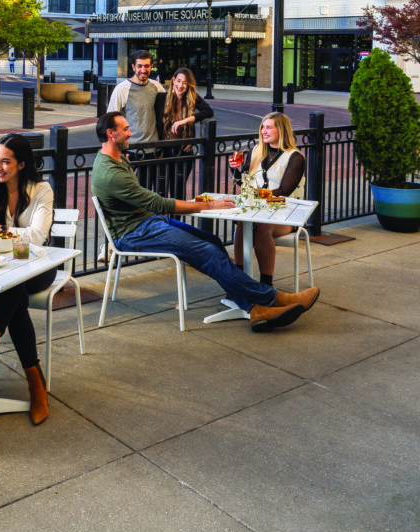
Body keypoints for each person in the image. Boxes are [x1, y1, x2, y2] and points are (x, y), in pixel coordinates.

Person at [91, 112, 319, 332]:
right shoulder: (112, 172)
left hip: (147, 223)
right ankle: (272, 298)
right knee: (209, 252)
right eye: (125, 129)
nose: (130, 133)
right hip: (134, 233)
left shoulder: (118, 159)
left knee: (214, 243)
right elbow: (158, 203)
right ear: (111, 133)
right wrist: (208, 205)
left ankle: (255, 309)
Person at [0, 134, 54, 424]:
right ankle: (35, 383)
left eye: (5, 161)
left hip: (39, 266)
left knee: (12, 285)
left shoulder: (41, 190)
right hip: (3, 267)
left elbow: (37, 237)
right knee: (14, 292)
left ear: (21, 164)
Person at [229, 113, 306, 284]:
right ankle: (238, 279)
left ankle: (266, 284)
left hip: (284, 214)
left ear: (282, 130)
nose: (263, 131)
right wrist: (234, 170)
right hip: (257, 212)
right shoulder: (255, 152)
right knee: (243, 223)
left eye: (269, 127)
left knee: (261, 226)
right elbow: (245, 183)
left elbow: (284, 191)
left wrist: (256, 195)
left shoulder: (295, 157)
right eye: (262, 127)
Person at [107, 49, 165, 187]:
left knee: (151, 193)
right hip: (130, 153)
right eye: (139, 66)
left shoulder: (157, 87)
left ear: (151, 67)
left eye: (146, 66)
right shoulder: (122, 89)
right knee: (129, 193)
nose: (143, 70)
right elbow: (110, 121)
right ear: (133, 67)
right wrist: (119, 152)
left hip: (153, 150)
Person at [157, 66, 214, 199]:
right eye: (178, 81)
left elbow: (208, 111)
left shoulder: (191, 98)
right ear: (173, 80)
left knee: (178, 192)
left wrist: (186, 120)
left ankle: (178, 214)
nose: (180, 86)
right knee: (161, 193)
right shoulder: (161, 98)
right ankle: (163, 215)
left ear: (188, 85)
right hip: (163, 152)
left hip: (183, 151)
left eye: (185, 83)